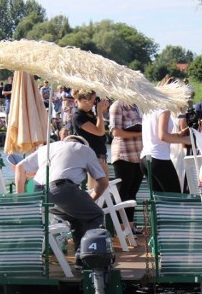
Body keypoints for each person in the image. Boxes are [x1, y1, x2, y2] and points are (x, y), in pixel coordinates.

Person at [14, 135, 108, 267]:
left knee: (76, 218)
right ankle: (90, 258)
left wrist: (22, 199)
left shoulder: (47, 148)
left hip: (39, 193)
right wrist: (92, 199)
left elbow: (19, 168)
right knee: (95, 214)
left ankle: (81, 258)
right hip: (61, 189)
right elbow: (103, 183)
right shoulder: (85, 150)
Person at [140, 103, 191, 193]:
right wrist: (185, 140)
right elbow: (163, 136)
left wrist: (179, 134)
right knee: (175, 197)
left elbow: (156, 136)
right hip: (158, 158)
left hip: (145, 158)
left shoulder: (150, 109)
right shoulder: (164, 109)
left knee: (158, 200)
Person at [109, 100, 144, 230]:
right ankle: (121, 228)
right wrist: (139, 133)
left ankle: (130, 226)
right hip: (123, 153)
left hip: (137, 154)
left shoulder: (137, 106)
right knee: (122, 192)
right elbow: (116, 132)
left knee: (132, 192)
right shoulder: (117, 106)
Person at [71, 89, 109, 189]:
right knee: (95, 190)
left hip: (100, 155)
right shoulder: (78, 117)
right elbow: (99, 131)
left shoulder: (89, 114)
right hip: (93, 156)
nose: (93, 104)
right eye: (92, 102)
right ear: (84, 101)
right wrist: (99, 112)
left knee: (103, 189)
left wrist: (99, 112)